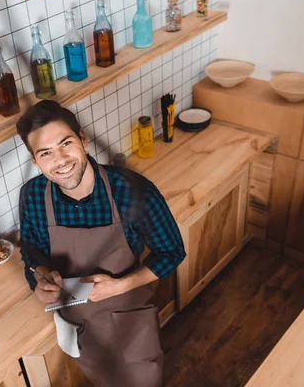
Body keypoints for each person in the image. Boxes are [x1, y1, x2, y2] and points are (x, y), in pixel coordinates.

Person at [16, 100, 185, 387]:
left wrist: (120, 285)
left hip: (130, 320)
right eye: (46, 153)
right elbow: (31, 250)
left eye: (65, 143)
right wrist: (40, 279)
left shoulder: (132, 191)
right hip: (79, 325)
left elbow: (171, 252)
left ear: (82, 139)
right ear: (35, 161)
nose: (60, 160)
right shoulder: (32, 196)